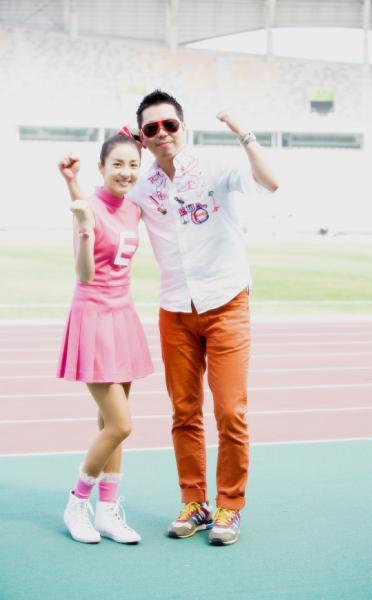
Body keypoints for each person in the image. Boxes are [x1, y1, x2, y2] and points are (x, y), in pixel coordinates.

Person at [61, 90, 279, 546]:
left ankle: (229, 505)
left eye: (170, 125)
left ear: (183, 127)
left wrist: (244, 132)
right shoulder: (141, 185)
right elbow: (103, 201)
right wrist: (74, 186)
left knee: (230, 412)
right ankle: (194, 503)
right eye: (152, 128)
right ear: (143, 136)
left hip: (225, 302)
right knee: (184, 413)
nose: (162, 133)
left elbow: (270, 181)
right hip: (176, 308)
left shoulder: (215, 167)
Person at [57, 132, 153, 544]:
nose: (126, 172)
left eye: (133, 165)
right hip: (93, 318)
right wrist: (83, 227)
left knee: (108, 422)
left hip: (123, 317)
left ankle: (107, 511)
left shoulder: (134, 208)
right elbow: (84, 274)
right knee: (120, 424)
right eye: (117, 164)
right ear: (101, 168)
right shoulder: (88, 207)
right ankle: (77, 503)